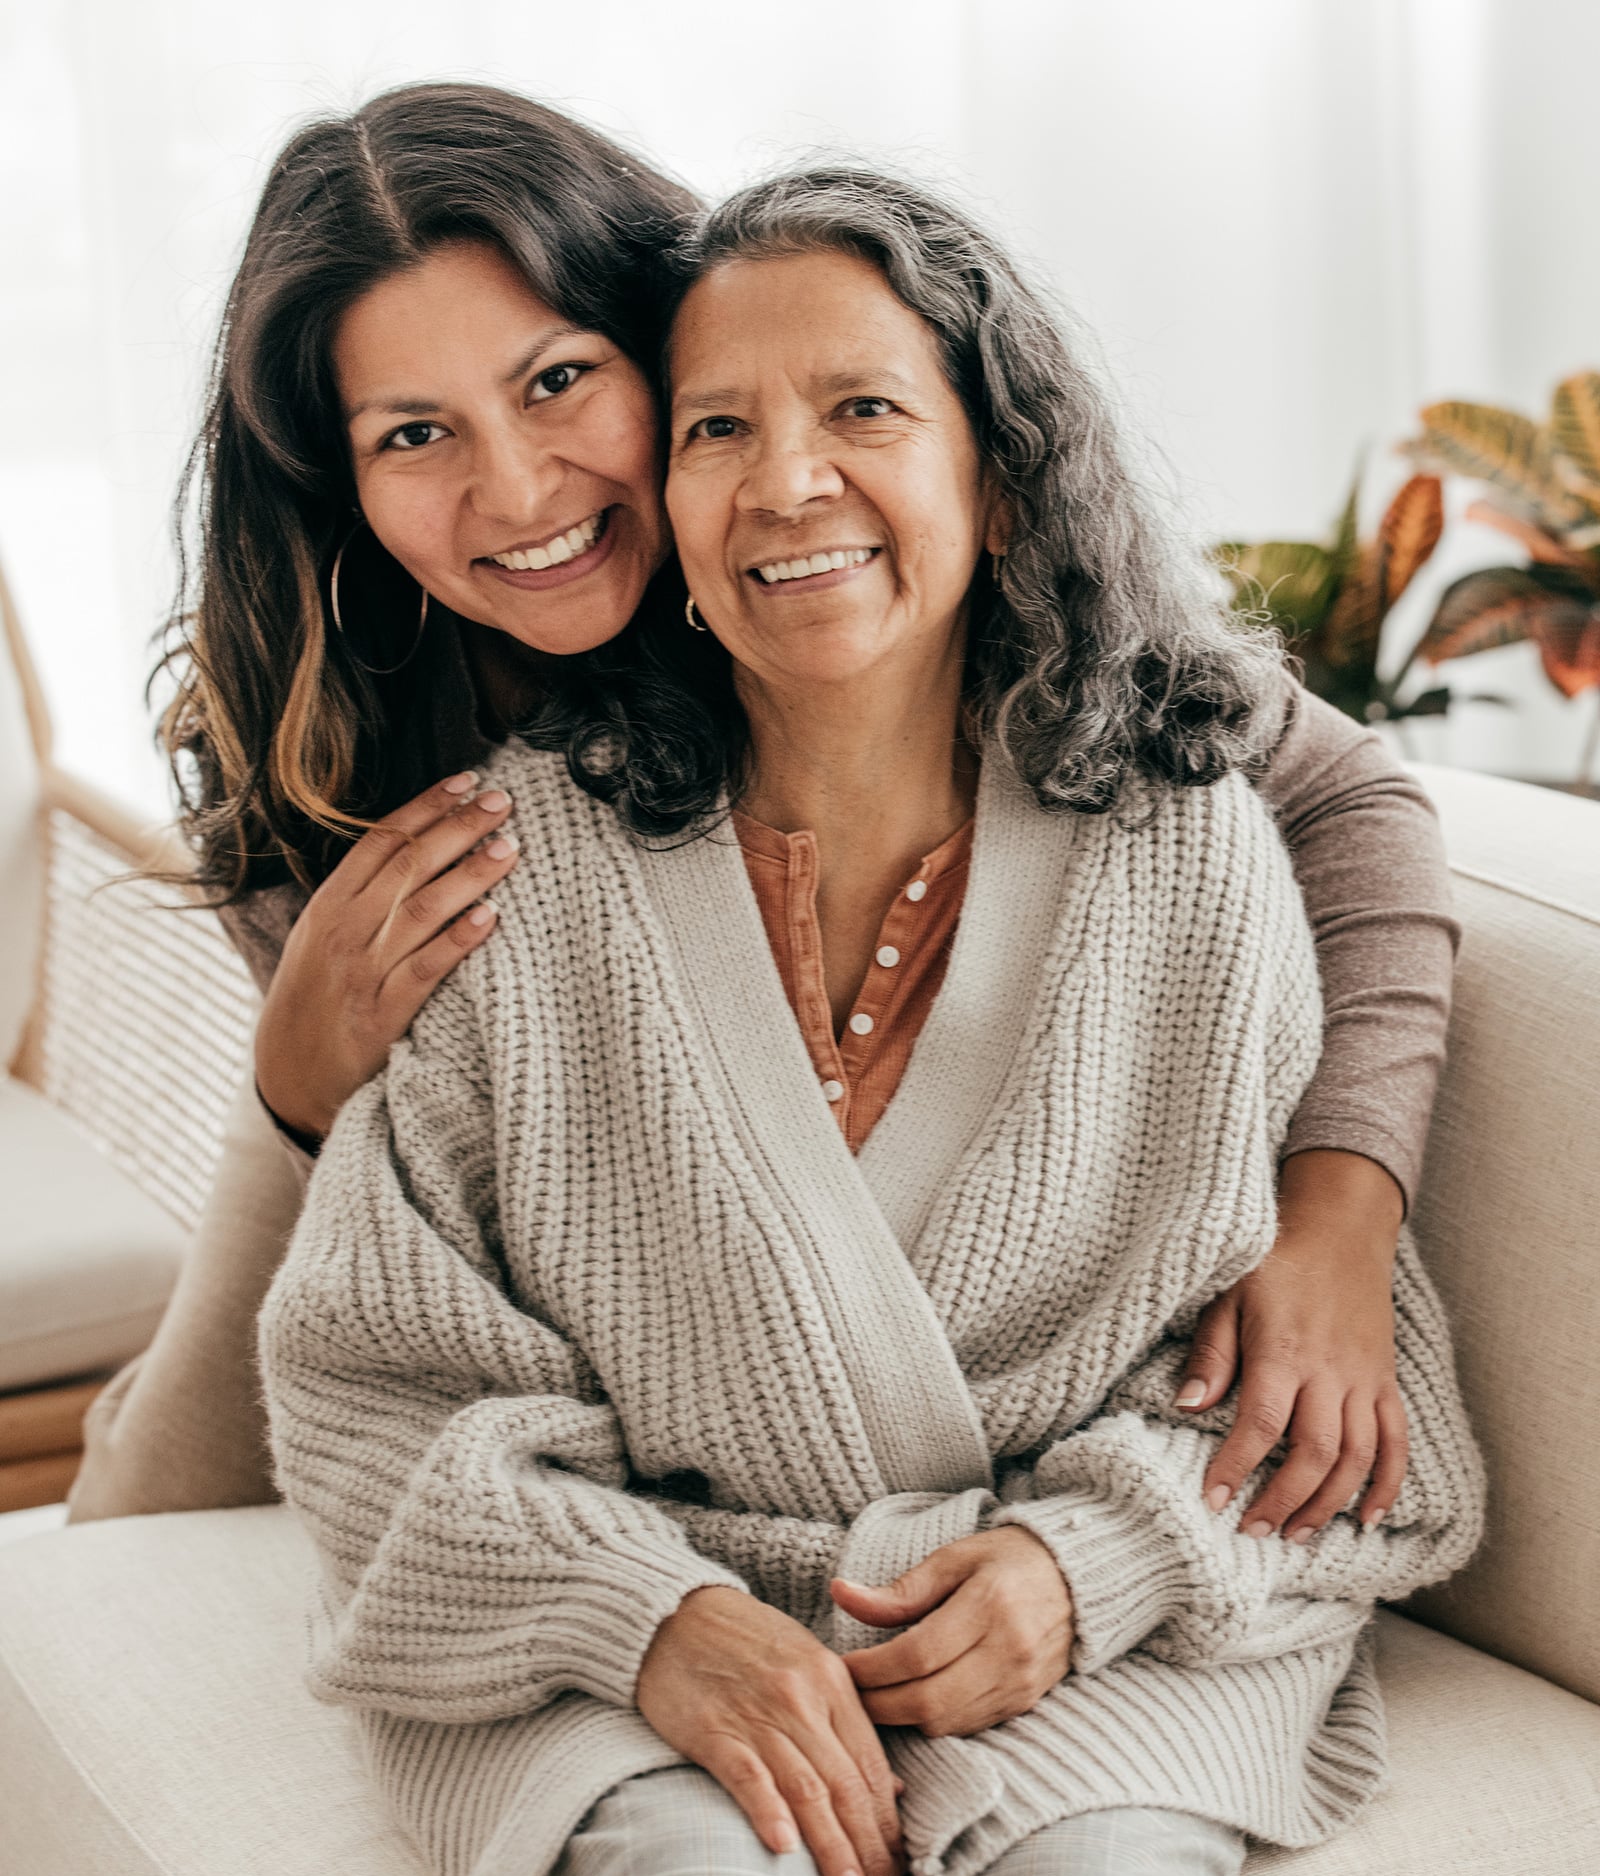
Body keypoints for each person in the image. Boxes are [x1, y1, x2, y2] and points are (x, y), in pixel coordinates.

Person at [257, 167, 1484, 1876]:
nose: (786, 481)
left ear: (1001, 475)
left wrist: (1096, 1562)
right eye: (718, 427)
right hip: (649, 1643)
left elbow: (1347, 1432)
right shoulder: (504, 873)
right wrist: (644, 1618)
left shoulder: (1189, 846)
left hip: (1089, 1642)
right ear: (666, 504)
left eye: (865, 410)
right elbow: (368, 1380)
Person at [70, 82, 1452, 1558]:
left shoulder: (863, 587)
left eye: (556, 382)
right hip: (347, 1168)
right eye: (414, 433)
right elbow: (395, 1283)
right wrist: (292, 1089)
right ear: (339, 481)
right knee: (127, 1535)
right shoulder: (335, 740)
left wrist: (1340, 1209)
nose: (519, 485)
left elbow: (1348, 797)